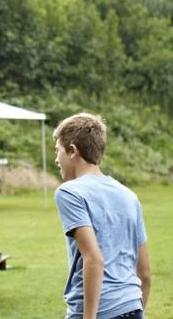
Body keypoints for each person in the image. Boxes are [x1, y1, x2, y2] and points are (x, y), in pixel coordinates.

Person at [53, 113, 150, 319]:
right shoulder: (129, 196)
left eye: (58, 151)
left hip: (96, 312)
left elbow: (94, 259)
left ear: (72, 151)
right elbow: (145, 274)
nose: (56, 159)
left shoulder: (70, 192)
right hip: (133, 306)